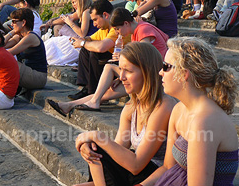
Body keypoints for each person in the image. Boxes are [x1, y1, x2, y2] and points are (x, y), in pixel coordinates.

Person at [72, 42, 176, 186]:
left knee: (98, 142)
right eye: (120, 69)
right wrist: (87, 146)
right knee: (96, 149)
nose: (121, 77)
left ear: (146, 72)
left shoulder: (163, 106)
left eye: (128, 71)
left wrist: (96, 136)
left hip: (156, 177)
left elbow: (136, 165)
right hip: (135, 173)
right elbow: (116, 153)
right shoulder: (130, 108)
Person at [140, 36, 239, 186]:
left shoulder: (205, 121)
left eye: (166, 66)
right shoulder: (179, 109)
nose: (160, 72)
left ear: (184, 74)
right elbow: (168, 167)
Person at [48, 7, 168, 114]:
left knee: (109, 67)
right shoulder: (136, 32)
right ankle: (68, 105)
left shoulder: (143, 29)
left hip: (154, 76)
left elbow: (144, 57)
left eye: (117, 29)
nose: (117, 33)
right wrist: (119, 76)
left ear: (126, 23)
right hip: (144, 75)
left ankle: (91, 102)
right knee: (106, 92)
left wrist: (122, 59)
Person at [67, 0, 129, 100]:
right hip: (112, 63)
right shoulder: (104, 30)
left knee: (94, 52)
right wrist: (80, 40)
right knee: (86, 49)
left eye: (95, 20)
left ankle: (94, 93)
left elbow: (102, 47)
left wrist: (82, 43)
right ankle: (87, 88)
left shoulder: (116, 28)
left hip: (122, 65)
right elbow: (90, 38)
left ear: (105, 15)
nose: (94, 24)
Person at [42, 0, 98, 66]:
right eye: (72, 3)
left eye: (74, 2)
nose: (73, 5)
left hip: (87, 40)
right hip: (85, 39)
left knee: (55, 41)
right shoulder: (82, 11)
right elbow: (66, 18)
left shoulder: (86, 12)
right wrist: (49, 23)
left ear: (81, 0)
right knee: (57, 28)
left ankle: (60, 55)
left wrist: (69, 22)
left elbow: (82, 34)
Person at [6, 8, 47, 90]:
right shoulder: (20, 36)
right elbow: (0, 45)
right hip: (29, 72)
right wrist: (12, 33)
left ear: (23, 22)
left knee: (7, 61)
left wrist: (12, 32)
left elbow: (7, 54)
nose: (12, 24)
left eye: (14, 21)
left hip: (38, 77)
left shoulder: (30, 37)